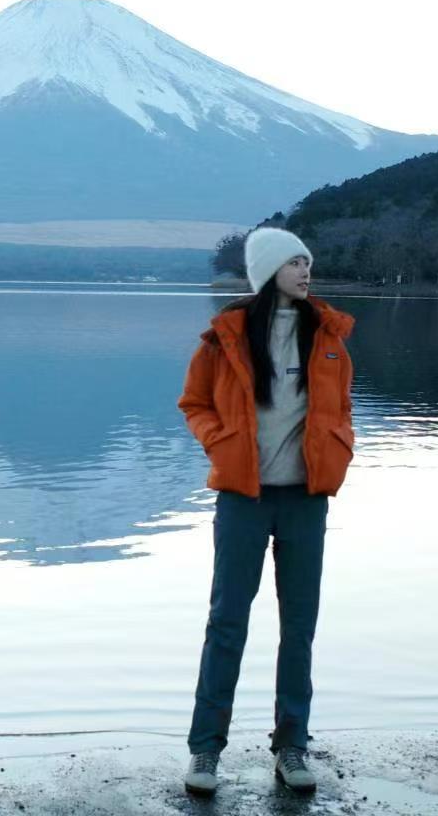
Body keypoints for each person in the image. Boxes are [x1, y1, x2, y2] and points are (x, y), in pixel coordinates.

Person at [175, 227, 356, 798]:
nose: (307, 272)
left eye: (309, 263)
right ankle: (206, 751)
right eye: (296, 263)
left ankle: (292, 746)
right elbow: (194, 402)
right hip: (242, 499)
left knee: (299, 626)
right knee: (227, 621)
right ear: (269, 270)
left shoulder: (327, 336)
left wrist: (340, 446)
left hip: (305, 500)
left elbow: (343, 406)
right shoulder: (223, 338)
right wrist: (221, 442)